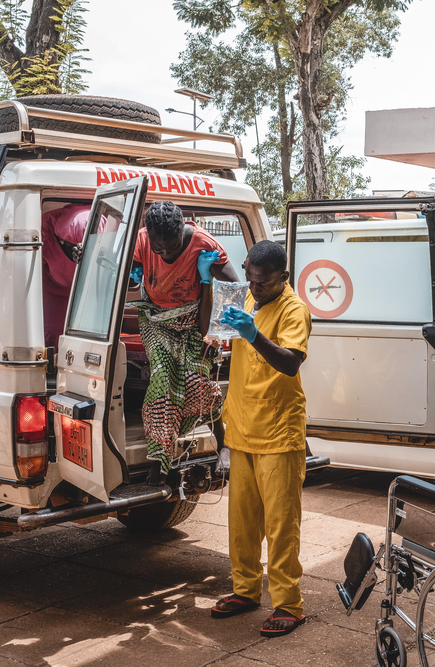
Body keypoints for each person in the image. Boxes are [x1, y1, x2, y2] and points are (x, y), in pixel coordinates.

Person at [212, 240, 312, 639]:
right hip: (242, 427)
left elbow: (289, 363)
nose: (255, 289)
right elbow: (218, 333)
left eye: (264, 284)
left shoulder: (293, 309)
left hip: (278, 431)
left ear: (283, 278)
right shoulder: (247, 298)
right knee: (242, 522)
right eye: (251, 280)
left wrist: (252, 334)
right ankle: (246, 589)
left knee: (280, 525)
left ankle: (288, 604)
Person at [129, 201, 239, 485]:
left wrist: (217, 334)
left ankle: (223, 442)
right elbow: (129, 269)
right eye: (159, 247)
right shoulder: (141, 240)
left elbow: (233, 292)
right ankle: (159, 460)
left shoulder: (204, 244)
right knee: (162, 381)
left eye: (172, 246)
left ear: (183, 231)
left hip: (192, 321)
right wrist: (134, 272)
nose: (165, 252)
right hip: (155, 321)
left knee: (196, 382)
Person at [41, 203, 91, 350]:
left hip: (86, 291)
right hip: (53, 287)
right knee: (53, 331)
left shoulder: (104, 229)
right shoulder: (44, 232)